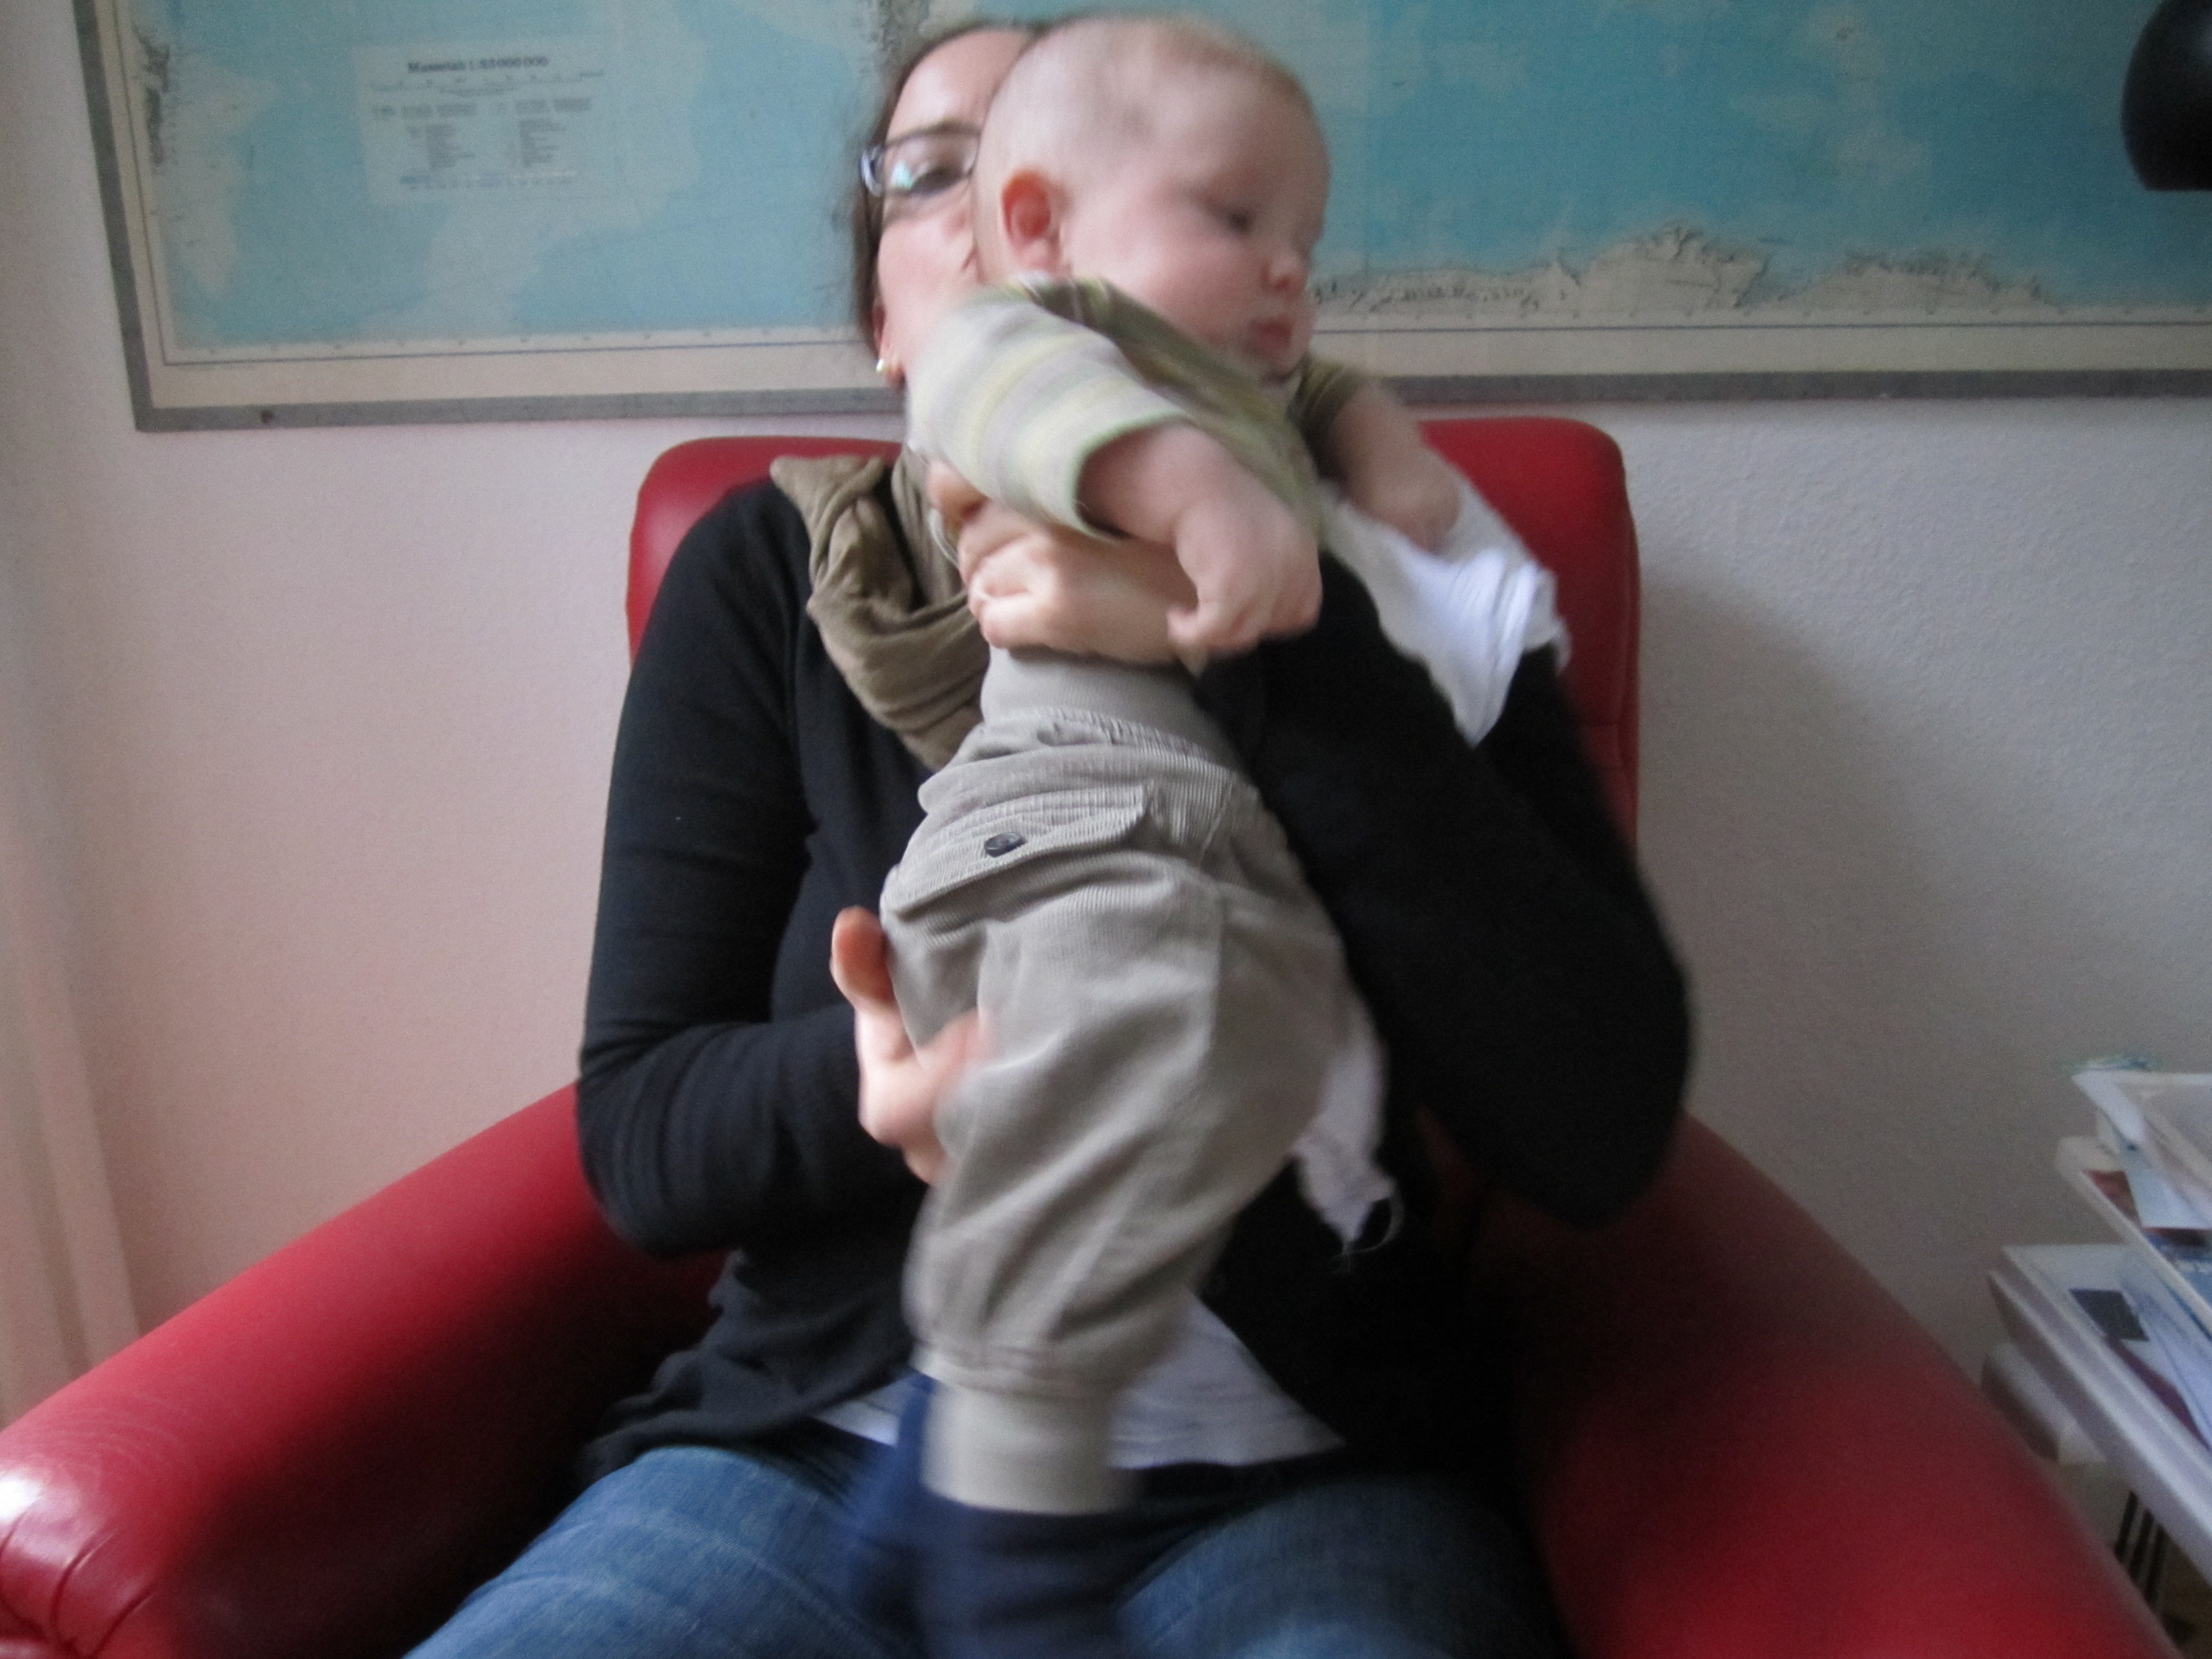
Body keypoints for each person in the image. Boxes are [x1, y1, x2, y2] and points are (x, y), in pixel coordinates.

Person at [401, 19, 1687, 1659]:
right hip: (808, 1461)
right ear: (890, 316)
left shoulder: (1404, 579)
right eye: (941, 167)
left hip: (1300, 1484)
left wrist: (1255, 641)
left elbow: (1596, 1115)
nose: (1015, 209)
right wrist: (908, 1087)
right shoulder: (767, 578)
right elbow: (645, 1134)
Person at [846, 20, 1578, 1656]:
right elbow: (1008, 391)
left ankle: (928, 1487)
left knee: (1257, 1062)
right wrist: (1199, 494)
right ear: (1036, 229)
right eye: (1237, 218)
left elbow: (1329, 388)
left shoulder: (1257, 390)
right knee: (1153, 1070)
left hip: (1195, 858)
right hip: (1080, 829)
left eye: (1306, 238)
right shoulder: (1032, 339)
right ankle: (1007, 1522)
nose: (1289, 270)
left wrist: (1382, 460)